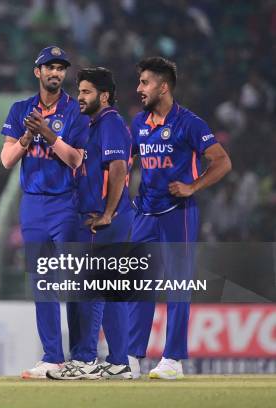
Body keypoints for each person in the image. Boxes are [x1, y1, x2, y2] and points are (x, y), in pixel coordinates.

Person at [127, 57, 231, 380]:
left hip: (178, 214)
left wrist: (193, 186)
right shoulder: (138, 123)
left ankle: (172, 359)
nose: (139, 88)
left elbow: (222, 162)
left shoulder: (189, 123)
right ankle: (130, 358)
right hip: (144, 213)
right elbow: (128, 163)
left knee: (177, 285)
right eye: (140, 82)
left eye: (145, 82)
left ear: (164, 86)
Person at [0, 46, 88, 379]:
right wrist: (26, 136)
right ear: (37, 72)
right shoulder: (21, 109)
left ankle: (83, 355)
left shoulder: (76, 109)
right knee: (43, 283)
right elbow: (7, 160)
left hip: (67, 201)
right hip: (34, 203)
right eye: (49, 67)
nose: (55, 73)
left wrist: (48, 135)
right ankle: (53, 356)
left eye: (60, 68)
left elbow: (77, 159)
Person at [47, 67, 133, 380]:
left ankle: (84, 360)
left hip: (105, 216)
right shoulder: (98, 124)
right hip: (111, 215)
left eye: (86, 92)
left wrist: (108, 212)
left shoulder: (109, 121)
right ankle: (120, 362)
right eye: (79, 91)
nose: (79, 97)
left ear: (104, 95)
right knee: (110, 290)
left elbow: (119, 167)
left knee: (93, 288)